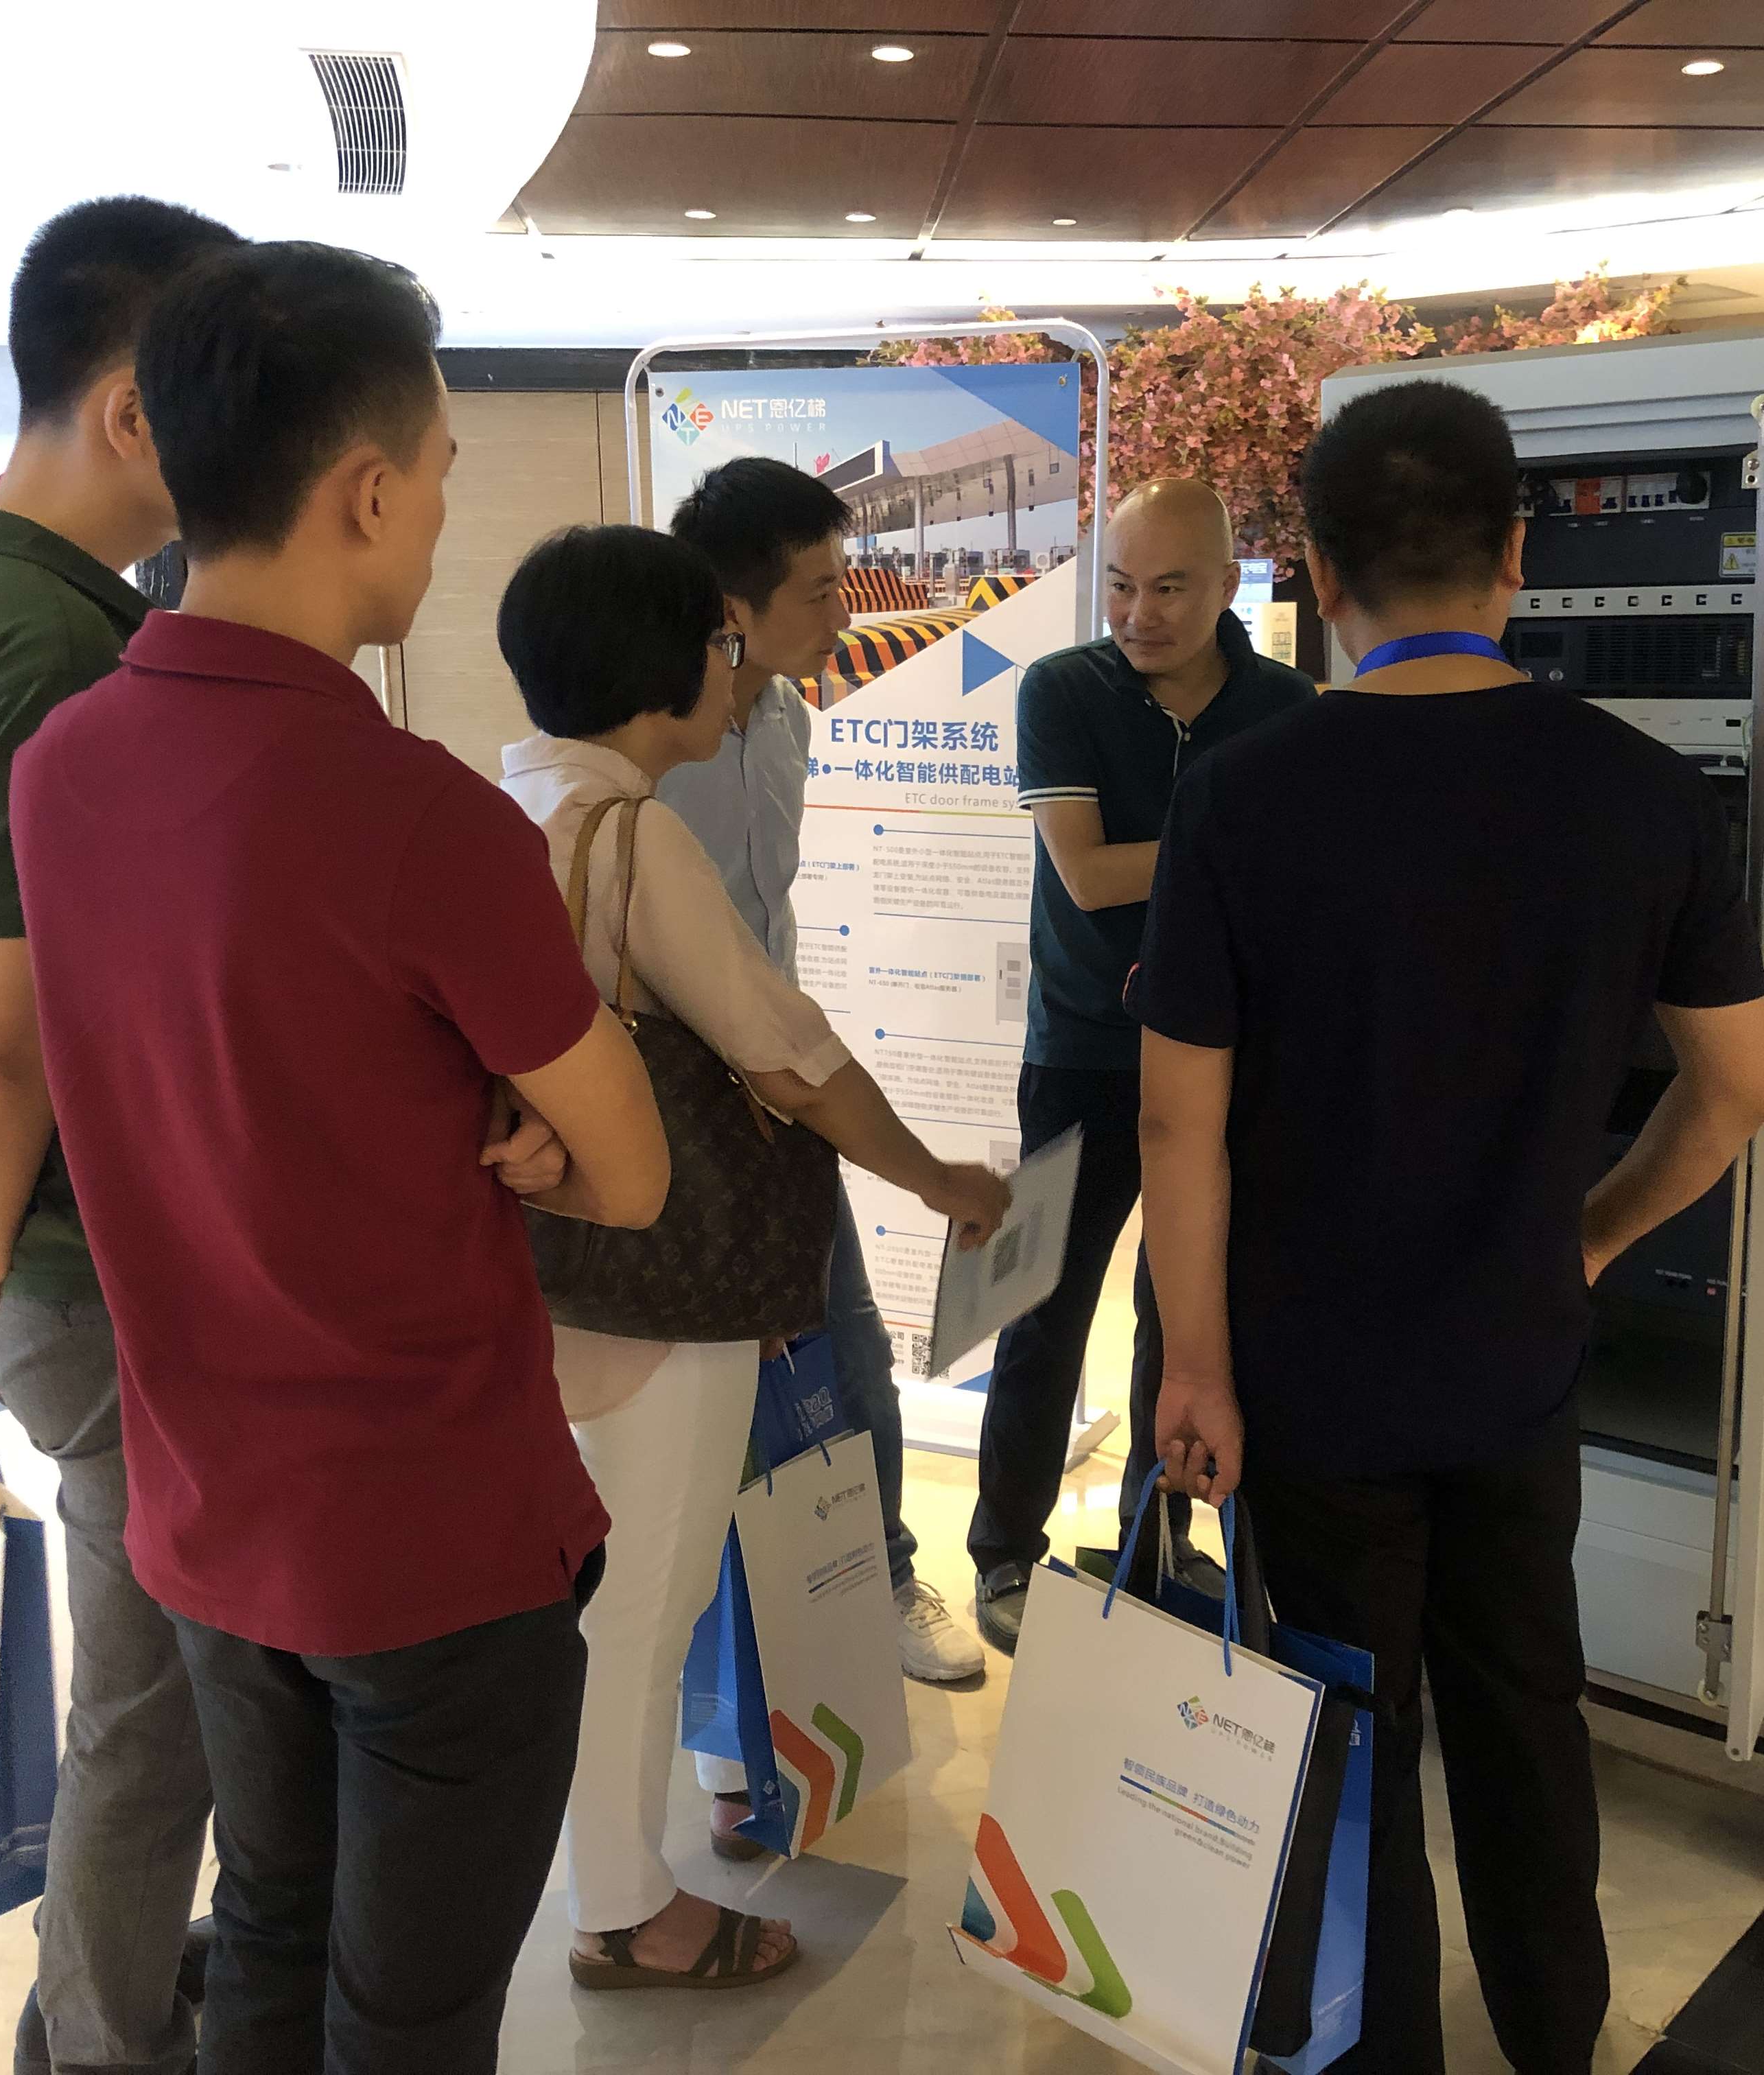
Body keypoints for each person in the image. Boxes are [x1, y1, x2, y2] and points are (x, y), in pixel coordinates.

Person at [5, 242, 670, 2075]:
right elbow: (631, 1175)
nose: (444, 508)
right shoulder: (422, 817)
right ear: (368, 491)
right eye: (442, 470)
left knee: (274, 1941)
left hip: (210, 1512)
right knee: (412, 2018)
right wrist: (525, 1131)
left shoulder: (63, 768)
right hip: (432, 1540)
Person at [1133, 379, 1764, 2075]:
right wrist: (1589, 1239)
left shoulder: (1244, 795)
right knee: (1525, 1701)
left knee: (1347, 1720)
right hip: (1516, 1352)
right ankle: (1557, 2032)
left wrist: (1192, 1367)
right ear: (1516, 555)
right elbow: (1738, 1089)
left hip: (1308, 1370)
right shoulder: (1642, 794)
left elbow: (1179, 1122)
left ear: (1317, 571)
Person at [493, 523, 1012, 1992]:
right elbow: (783, 1055)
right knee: (646, 1594)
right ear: (662, 666)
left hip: (538, 1267)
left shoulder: (503, 804)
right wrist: (934, 1177)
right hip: (665, 1274)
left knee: (599, 1582)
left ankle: (610, 1865)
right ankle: (620, 1905)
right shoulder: (632, 835)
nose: (736, 672)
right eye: (721, 645)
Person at [0, 195, 243, 2075]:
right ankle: (100, 2042)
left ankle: (116, 1997)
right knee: (151, 1712)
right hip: (89, 1261)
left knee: (155, 1690)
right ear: (132, 413)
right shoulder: (56, 654)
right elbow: (1, 1024)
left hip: (33, 1241)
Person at [970, 478, 1314, 1653]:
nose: (1138, 614)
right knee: (1041, 1310)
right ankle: (1004, 1552)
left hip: (1222, 1062)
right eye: (1119, 586)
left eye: (1169, 588)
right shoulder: (1061, 689)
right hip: (1079, 1051)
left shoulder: (1285, 707)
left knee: (1185, 1320)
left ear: (1227, 585)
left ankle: (1149, 1545)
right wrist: (1240, 851)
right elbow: (1086, 875)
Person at [660, 455, 988, 1687]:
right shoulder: (649, 749)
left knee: (850, 1348)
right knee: (707, 1392)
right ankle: (733, 1652)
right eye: (819, 590)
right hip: (676, 1120)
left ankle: (880, 1578)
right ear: (732, 611)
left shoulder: (791, 719)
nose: (845, 614)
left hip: (786, 1099)